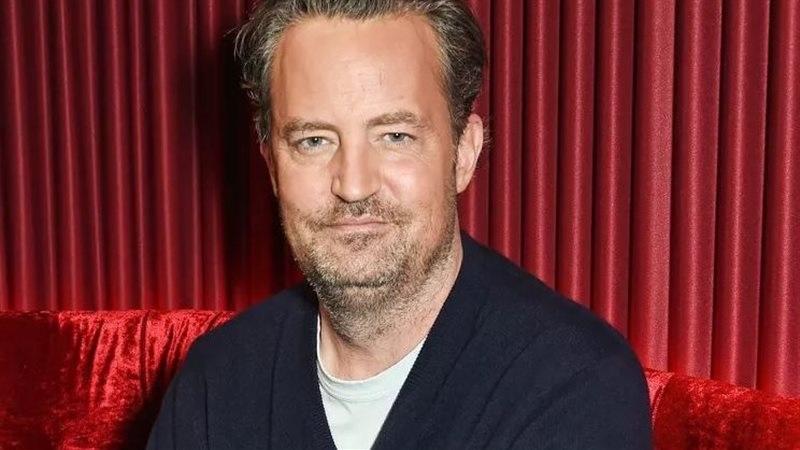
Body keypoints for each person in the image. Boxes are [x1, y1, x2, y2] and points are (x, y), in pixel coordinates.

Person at [146, 0, 652, 448]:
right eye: (314, 141)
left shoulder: (572, 384)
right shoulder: (216, 382)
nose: (353, 184)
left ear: (463, 153)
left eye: (394, 136)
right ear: (272, 167)